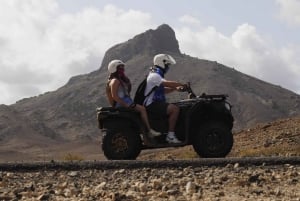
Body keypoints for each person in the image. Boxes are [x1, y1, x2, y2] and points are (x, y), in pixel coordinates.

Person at [106, 59, 161, 138]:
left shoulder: (119, 80)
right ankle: (149, 131)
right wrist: (126, 104)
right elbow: (115, 96)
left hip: (125, 101)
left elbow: (126, 92)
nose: (122, 69)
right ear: (114, 68)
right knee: (142, 109)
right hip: (121, 103)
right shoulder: (115, 81)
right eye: (120, 67)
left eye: (122, 67)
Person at [144, 54, 187, 143]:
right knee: (175, 109)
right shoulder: (155, 75)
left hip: (154, 103)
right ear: (162, 63)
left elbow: (162, 90)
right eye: (167, 65)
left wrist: (175, 89)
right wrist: (181, 84)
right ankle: (170, 136)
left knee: (176, 106)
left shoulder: (156, 74)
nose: (168, 67)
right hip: (151, 104)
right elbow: (168, 83)